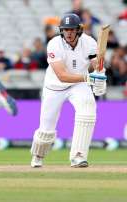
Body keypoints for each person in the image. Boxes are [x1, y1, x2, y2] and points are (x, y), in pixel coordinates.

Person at [30, 13, 107, 168]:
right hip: (54, 86)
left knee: (87, 112)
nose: (69, 33)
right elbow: (62, 76)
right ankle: (38, 156)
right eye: (66, 30)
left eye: (72, 30)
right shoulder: (54, 44)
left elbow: (94, 64)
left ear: (78, 30)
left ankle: (78, 156)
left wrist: (100, 73)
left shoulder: (89, 42)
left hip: (79, 85)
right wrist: (89, 79)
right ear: (61, 30)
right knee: (46, 128)